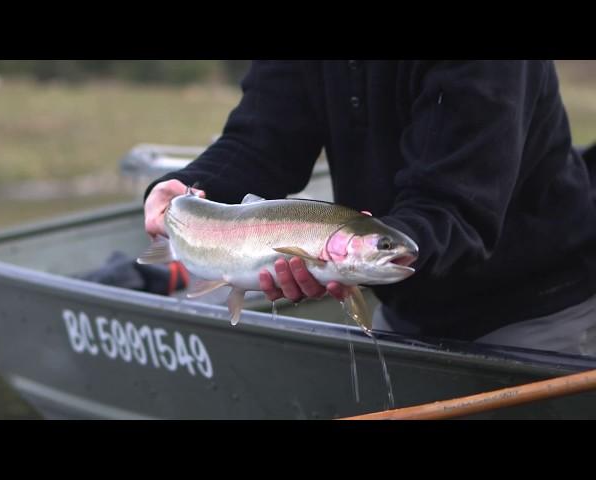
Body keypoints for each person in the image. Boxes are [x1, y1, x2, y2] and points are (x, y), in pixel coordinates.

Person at [144, 60, 596, 355]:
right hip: (398, 302)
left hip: (536, 310)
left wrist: (360, 253)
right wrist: (190, 186)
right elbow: (262, 139)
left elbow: (454, 206)